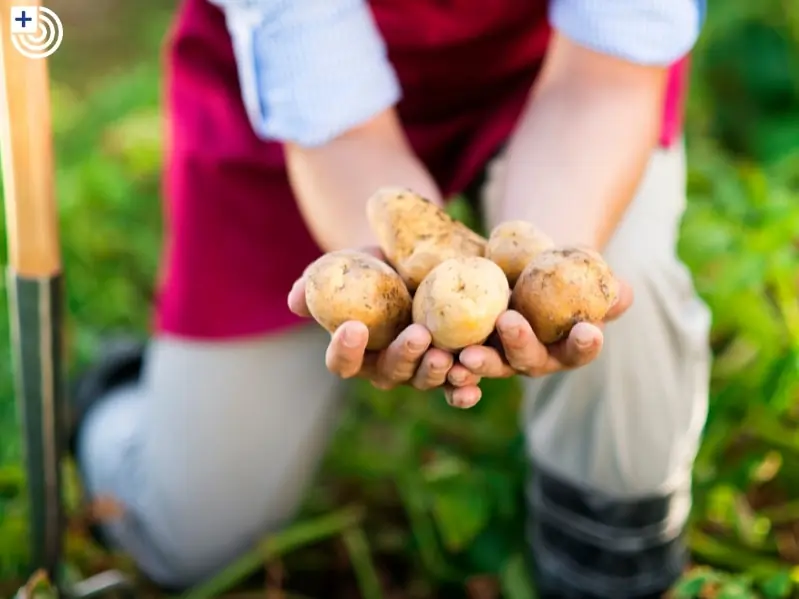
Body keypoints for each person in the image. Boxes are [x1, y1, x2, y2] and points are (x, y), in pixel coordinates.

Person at [70, 0, 712, 597]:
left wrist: (539, 279)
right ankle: (116, 398)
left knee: (624, 288)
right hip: (301, 111)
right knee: (191, 533)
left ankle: (605, 562)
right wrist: (394, 296)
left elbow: (600, 88)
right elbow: (343, 134)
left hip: (550, 75)